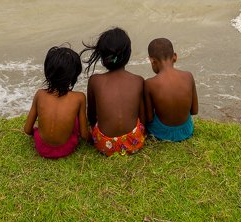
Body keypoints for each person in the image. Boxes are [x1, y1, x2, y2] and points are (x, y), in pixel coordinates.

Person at [81, 27, 145, 156]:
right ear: (129, 53)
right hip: (134, 141)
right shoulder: (138, 80)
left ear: (102, 56)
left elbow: (92, 116)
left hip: (104, 145)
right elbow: (142, 117)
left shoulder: (95, 81)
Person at [23, 46, 88, 159]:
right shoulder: (79, 97)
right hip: (66, 148)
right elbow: (84, 135)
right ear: (74, 75)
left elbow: (27, 130)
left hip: (41, 147)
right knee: (75, 118)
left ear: (48, 72)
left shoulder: (40, 94)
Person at [144, 37, 198, 142]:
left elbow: (149, 118)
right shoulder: (188, 76)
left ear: (152, 60)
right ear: (175, 56)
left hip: (161, 133)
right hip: (186, 130)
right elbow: (194, 111)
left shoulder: (149, 83)